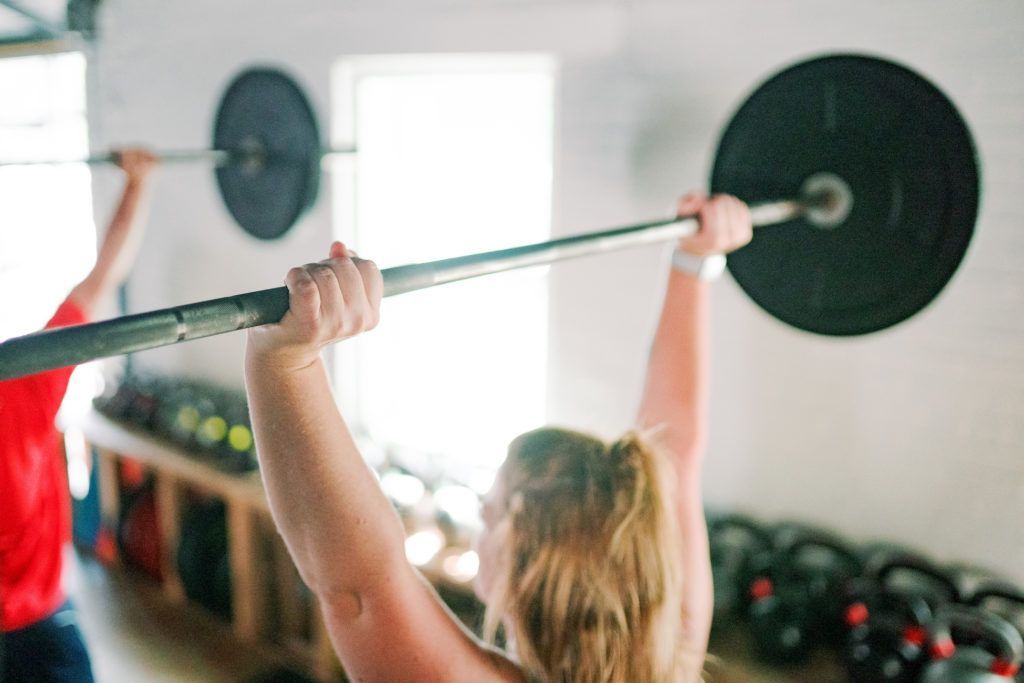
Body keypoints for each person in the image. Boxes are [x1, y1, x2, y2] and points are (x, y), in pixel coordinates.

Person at [244, 192, 752, 682]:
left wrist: (285, 358)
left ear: (523, 565)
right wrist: (693, 263)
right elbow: (675, 449)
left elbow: (360, 588)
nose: (478, 523)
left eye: (487, 513)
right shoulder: (676, 651)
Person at [0, 148, 158, 682]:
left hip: (41, 630)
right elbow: (101, 279)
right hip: (41, 629)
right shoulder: (22, 377)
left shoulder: (23, 379)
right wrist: (138, 183)